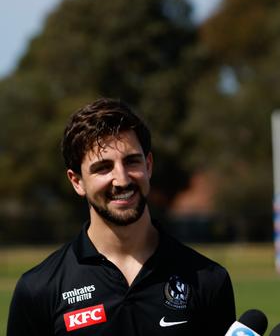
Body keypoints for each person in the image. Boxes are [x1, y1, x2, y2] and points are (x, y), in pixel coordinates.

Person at [7, 98, 235, 335]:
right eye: (103, 168)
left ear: (148, 165)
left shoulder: (208, 279)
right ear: (77, 181)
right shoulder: (39, 288)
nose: (122, 179)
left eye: (131, 161)